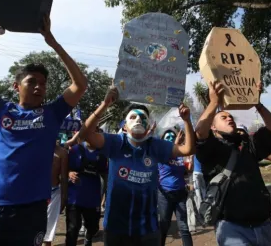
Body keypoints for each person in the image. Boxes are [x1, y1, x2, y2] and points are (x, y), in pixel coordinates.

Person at [0, 15, 87, 246]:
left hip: (30, 212)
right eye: (31, 81)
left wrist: (52, 42)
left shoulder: (52, 113)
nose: (38, 87)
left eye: (43, 83)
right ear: (16, 86)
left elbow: (80, 85)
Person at [66, 86, 196, 246]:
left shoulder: (155, 146)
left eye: (142, 118)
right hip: (116, 228)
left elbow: (188, 149)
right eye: (133, 117)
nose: (138, 120)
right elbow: (85, 135)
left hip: (148, 230)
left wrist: (187, 120)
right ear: (125, 126)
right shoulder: (115, 143)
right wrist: (104, 104)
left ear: (148, 126)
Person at [195, 80, 271, 246]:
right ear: (213, 128)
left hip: (263, 226)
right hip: (232, 228)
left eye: (230, 117)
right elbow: (200, 131)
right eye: (223, 117)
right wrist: (214, 102)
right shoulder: (211, 149)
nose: (229, 119)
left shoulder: (247, 143)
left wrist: (257, 104)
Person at [66, 131, 108, 246]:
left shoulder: (102, 154)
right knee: (72, 228)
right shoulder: (75, 150)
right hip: (75, 196)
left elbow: (105, 174)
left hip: (92, 197)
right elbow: (65, 168)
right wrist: (70, 173)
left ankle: (88, 237)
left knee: (93, 226)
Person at [157, 129, 193, 246]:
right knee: (164, 225)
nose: (170, 139)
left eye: (172, 137)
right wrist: (175, 144)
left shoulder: (181, 155)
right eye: (167, 137)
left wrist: (190, 161)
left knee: (183, 226)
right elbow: (167, 155)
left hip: (180, 194)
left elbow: (187, 170)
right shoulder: (160, 153)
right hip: (164, 194)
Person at [43, 144, 69, 246]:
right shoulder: (36, 147)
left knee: (48, 231)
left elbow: (64, 178)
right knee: (33, 227)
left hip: (53, 194)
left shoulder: (62, 152)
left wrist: (64, 197)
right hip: (36, 193)